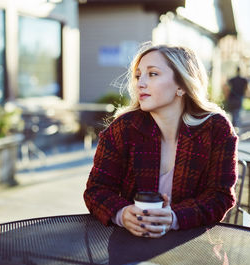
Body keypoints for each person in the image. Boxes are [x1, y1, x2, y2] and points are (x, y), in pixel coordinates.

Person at [83, 43, 238, 238]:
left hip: (194, 246)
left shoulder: (216, 129)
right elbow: (96, 190)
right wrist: (122, 214)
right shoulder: (123, 128)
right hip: (131, 245)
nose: (140, 83)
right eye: (138, 76)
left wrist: (174, 217)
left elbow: (219, 196)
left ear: (182, 85)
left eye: (153, 74)